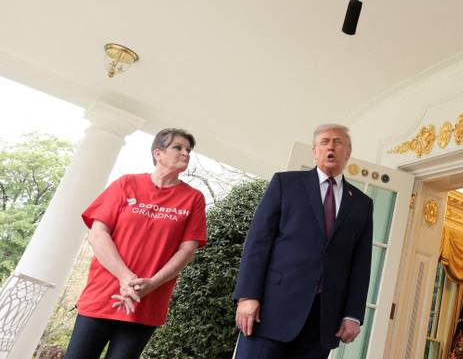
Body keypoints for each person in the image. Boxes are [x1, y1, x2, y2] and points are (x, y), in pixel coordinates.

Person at [64, 128, 207, 359]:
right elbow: (98, 234)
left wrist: (151, 283)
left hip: (146, 303)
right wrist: (125, 277)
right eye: (178, 148)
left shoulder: (193, 198)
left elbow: (188, 250)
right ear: (158, 153)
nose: (186, 154)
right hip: (103, 296)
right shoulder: (126, 184)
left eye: (188, 150)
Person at [233, 123, 373, 359]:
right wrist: (247, 296)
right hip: (271, 310)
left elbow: (361, 263)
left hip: (322, 319)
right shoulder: (285, 184)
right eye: (324, 142)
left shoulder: (361, 203)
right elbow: (258, 242)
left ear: (348, 153)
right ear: (314, 150)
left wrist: (353, 314)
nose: (331, 147)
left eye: (338, 142)